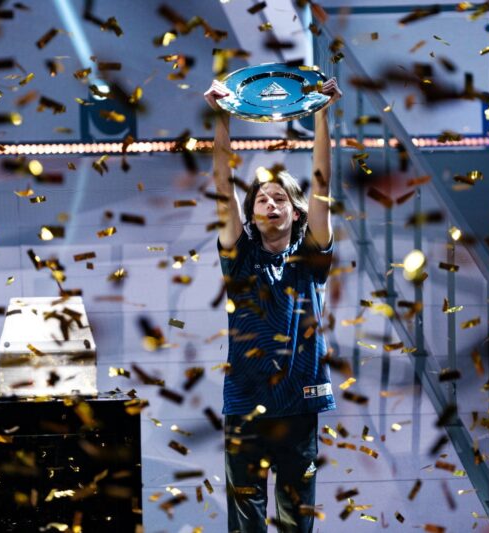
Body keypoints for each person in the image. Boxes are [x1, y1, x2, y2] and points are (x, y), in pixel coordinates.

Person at [204, 76, 342, 533]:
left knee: (295, 521)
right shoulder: (238, 256)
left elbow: (322, 183)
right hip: (245, 404)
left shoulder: (310, 255)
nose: (270, 203)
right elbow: (222, 184)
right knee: (246, 522)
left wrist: (321, 114)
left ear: (296, 212)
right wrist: (222, 117)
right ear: (251, 214)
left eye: (279, 198)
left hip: (298, 404)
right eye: (261, 199)